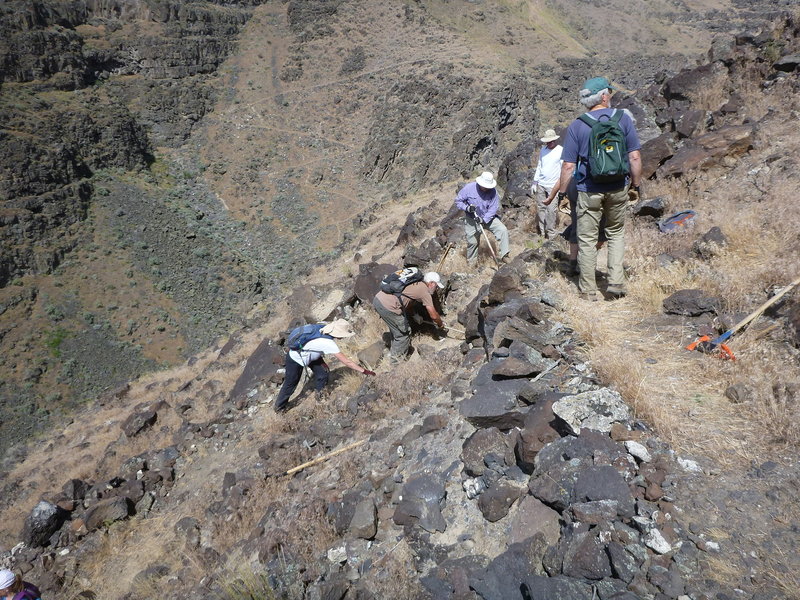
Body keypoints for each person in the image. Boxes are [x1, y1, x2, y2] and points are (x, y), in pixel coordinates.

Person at [556, 76, 642, 300]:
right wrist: (636, 185)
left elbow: (568, 166)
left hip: (588, 189)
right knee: (615, 234)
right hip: (618, 187)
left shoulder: (578, 125)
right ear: (604, 96)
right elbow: (634, 157)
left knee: (586, 238)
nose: (611, 97)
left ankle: (588, 290)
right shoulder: (624, 120)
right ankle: (615, 283)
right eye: (610, 93)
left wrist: (563, 193)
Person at [274, 319, 374, 413]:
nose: (344, 337)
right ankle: (279, 408)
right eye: (343, 335)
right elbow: (347, 362)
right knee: (290, 384)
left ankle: (320, 397)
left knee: (323, 372)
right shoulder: (329, 343)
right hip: (296, 358)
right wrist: (365, 371)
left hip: (310, 355)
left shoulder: (323, 328)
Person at [372, 271, 446, 362]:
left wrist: (414, 315)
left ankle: (394, 350)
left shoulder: (415, 283)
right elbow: (433, 315)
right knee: (403, 333)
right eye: (436, 285)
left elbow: (407, 301)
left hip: (378, 299)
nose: (437, 288)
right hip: (388, 306)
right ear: (431, 283)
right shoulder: (424, 291)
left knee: (396, 329)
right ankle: (395, 363)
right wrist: (440, 324)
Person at [454, 171, 510, 265]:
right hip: (472, 218)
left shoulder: (493, 192)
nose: (486, 188)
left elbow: (493, 208)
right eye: (484, 186)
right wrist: (467, 208)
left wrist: (484, 220)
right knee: (472, 242)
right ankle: (471, 263)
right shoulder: (469, 188)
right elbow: (458, 201)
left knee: (502, 230)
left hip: (487, 217)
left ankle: (505, 256)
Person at [531, 129, 563, 240]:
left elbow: (563, 169)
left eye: (551, 141)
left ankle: (551, 235)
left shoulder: (560, 151)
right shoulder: (543, 150)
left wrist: (562, 186)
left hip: (553, 186)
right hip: (541, 184)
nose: (549, 143)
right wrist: (535, 182)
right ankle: (542, 232)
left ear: (555, 140)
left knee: (551, 210)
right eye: (547, 141)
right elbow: (539, 166)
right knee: (541, 208)